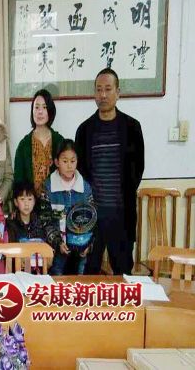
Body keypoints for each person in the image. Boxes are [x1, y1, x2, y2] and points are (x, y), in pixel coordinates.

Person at [75, 68, 144, 275]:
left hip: (121, 214)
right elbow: (80, 172)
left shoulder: (132, 127)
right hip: (92, 216)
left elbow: (138, 169)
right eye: (98, 89)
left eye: (107, 89)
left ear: (118, 92)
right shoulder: (84, 130)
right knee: (89, 272)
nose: (103, 95)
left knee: (123, 272)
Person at [43, 140, 95, 275]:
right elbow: (45, 220)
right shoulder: (48, 187)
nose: (69, 165)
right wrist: (58, 242)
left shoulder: (85, 188)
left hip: (81, 251)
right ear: (56, 162)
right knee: (57, 283)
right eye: (65, 161)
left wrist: (88, 245)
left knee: (78, 283)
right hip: (57, 251)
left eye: (73, 161)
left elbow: (92, 221)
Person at [14, 89, 64, 195]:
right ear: (32, 111)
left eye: (44, 107)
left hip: (56, 201)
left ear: (50, 111)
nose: (40, 112)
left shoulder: (60, 141)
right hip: (30, 202)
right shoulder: (23, 145)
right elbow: (18, 181)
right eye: (36, 107)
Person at [6, 182, 60, 274]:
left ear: (34, 201)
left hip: (39, 273)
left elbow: (48, 254)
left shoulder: (40, 223)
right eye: (22, 199)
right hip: (18, 273)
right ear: (16, 202)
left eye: (30, 199)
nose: (26, 204)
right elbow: (10, 253)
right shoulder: (11, 224)